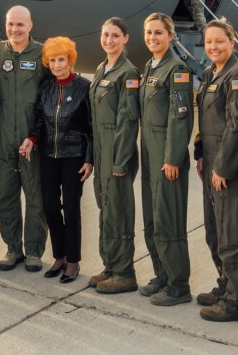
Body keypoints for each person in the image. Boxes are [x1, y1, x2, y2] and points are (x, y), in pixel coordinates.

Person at [194, 19, 238, 322]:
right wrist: (201, 155)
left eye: (219, 41)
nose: (213, 47)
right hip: (213, 162)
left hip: (232, 165)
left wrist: (223, 166)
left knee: (233, 234)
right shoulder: (210, 74)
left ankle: (237, 302)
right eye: (209, 42)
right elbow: (205, 119)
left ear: (233, 43)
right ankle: (226, 284)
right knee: (215, 232)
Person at [19, 37, 92, 284]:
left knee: (71, 209)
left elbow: (91, 128)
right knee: (50, 207)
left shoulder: (84, 87)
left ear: (70, 60)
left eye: (61, 59)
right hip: (48, 155)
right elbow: (40, 118)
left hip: (74, 157)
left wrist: (89, 159)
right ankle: (59, 256)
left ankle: (73, 261)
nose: (57, 65)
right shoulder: (47, 86)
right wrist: (32, 138)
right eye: (52, 60)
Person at [0, 6, 48, 273]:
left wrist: (38, 134)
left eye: (21, 25)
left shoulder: (43, 53)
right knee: (5, 196)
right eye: (11, 24)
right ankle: (13, 249)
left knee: (36, 196)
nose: (15, 29)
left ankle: (34, 251)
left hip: (32, 136)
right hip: (3, 135)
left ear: (31, 25)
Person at [137, 13, 194, 306]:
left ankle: (178, 284)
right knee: (152, 217)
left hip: (166, 154)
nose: (152, 38)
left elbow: (180, 117)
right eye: (148, 33)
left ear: (170, 36)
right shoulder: (150, 66)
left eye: (158, 33)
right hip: (149, 152)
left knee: (168, 218)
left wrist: (172, 158)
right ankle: (162, 274)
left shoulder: (177, 69)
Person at [88, 17, 141, 294]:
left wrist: (120, 161)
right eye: (105, 35)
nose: (109, 40)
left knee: (118, 211)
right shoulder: (101, 69)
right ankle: (110, 265)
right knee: (106, 209)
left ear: (125, 39)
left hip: (117, 151)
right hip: (101, 149)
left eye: (115, 36)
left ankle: (125, 273)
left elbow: (128, 121)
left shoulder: (127, 74)